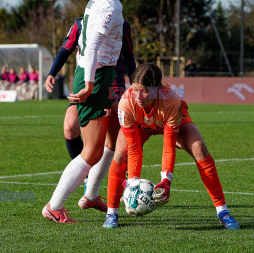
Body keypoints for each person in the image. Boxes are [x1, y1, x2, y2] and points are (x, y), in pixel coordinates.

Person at [42, 0, 137, 224]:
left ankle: (91, 195)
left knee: (112, 137)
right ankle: (55, 206)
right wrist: (92, 84)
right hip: (93, 76)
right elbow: (93, 44)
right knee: (92, 151)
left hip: (99, 76)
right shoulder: (112, 5)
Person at [102, 63, 240, 230]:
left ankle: (223, 212)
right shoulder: (126, 102)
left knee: (199, 148)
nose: (138, 95)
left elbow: (168, 146)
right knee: (119, 155)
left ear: (158, 88)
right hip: (140, 126)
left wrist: (166, 181)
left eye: (145, 90)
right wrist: (132, 182)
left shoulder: (171, 101)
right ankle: (112, 213)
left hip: (166, 123)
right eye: (135, 89)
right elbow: (134, 147)